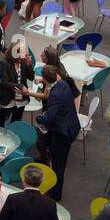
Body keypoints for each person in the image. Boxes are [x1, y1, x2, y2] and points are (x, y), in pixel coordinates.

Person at [36, 65, 79, 202]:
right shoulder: (63, 84)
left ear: (44, 79)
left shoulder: (54, 94)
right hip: (71, 127)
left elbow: (49, 118)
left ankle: (55, 194)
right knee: (62, 161)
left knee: (58, 163)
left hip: (61, 133)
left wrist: (39, 118)